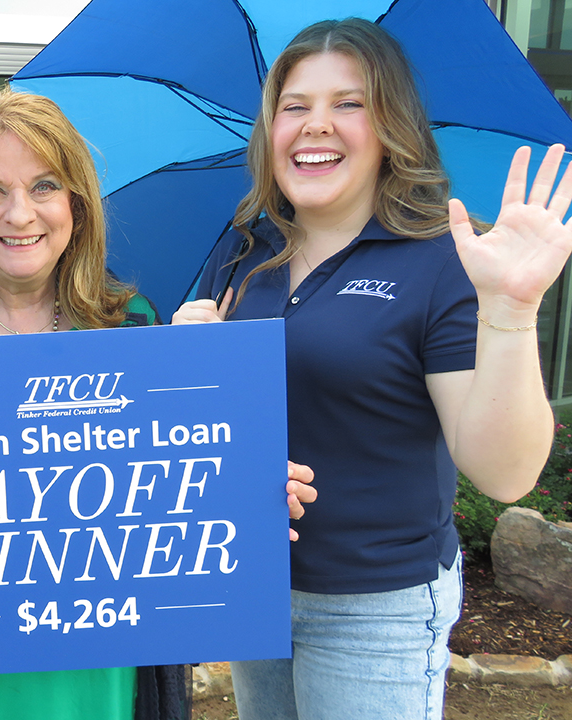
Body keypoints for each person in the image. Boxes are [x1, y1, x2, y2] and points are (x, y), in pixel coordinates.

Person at [0, 87, 316, 720]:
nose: (19, 214)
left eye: (45, 186)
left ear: (76, 207)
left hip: (110, 663)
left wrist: (243, 491)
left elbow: (173, 479)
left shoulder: (131, 323)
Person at [173, 18, 572, 720]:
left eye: (348, 104)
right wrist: (184, 362)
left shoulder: (441, 260)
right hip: (256, 584)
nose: (315, 125)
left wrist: (510, 310)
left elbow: (505, 474)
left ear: (392, 128)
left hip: (373, 610)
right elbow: (203, 430)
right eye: (294, 107)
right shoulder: (241, 251)